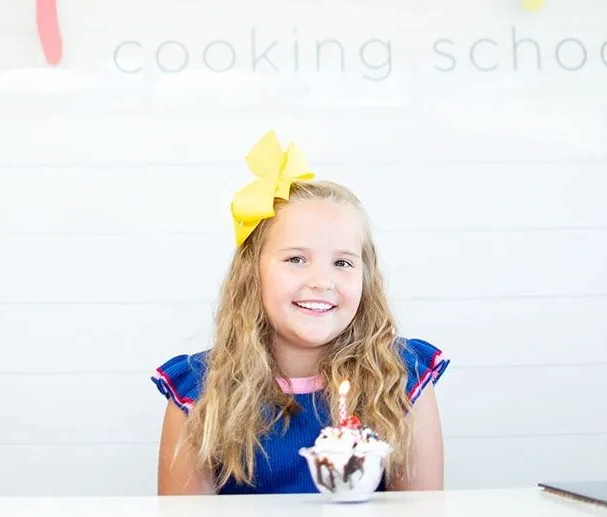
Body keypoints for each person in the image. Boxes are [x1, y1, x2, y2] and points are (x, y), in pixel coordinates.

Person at [151, 130, 450, 495]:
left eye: (342, 262)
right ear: (252, 272)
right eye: (296, 259)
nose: (322, 280)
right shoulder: (198, 393)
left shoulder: (401, 379)